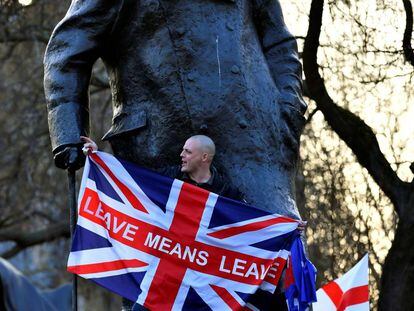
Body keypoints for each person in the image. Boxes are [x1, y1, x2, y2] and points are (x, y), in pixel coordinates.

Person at [44, 0, 307, 221]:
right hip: (165, 149)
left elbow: (279, 44)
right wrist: (69, 133)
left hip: (255, 142)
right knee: (180, 273)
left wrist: (288, 108)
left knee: (278, 257)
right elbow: (68, 49)